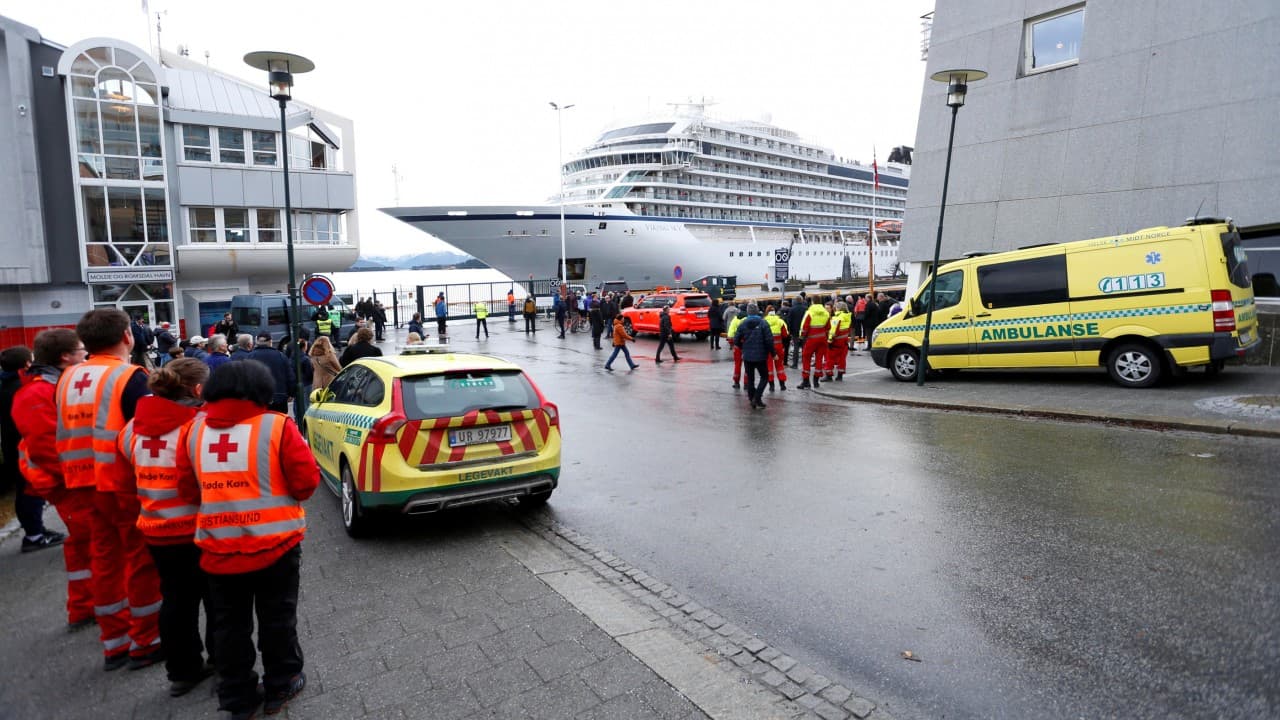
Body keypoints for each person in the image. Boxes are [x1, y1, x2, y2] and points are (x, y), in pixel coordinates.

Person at [176, 360, 318, 719]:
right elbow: (305, 484)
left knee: (228, 625)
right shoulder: (277, 427)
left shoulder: (191, 433)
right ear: (262, 390)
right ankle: (281, 684)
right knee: (277, 618)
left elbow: (187, 491)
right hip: (277, 547)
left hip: (219, 549)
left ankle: (237, 697)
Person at [55, 308, 162, 671]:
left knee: (103, 559)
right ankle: (146, 640)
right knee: (140, 559)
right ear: (128, 337)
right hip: (121, 484)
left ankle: (114, 642)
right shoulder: (129, 377)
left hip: (80, 482)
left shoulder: (67, 378)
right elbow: (148, 434)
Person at [116, 358, 215, 697]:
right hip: (201, 528)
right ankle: (222, 661)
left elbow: (124, 481)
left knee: (175, 600)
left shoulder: (130, 429)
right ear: (198, 389)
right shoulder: (200, 425)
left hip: (157, 529)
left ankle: (183, 671)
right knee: (217, 599)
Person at [13, 330, 92, 629]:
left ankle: (89, 605)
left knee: (89, 545)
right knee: (87, 545)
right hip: (69, 484)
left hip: (73, 480)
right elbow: (48, 447)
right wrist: (79, 477)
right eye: (81, 350)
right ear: (65, 356)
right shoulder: (37, 393)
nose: (86, 354)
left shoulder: (51, 386)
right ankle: (86, 607)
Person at [3, 345, 66, 551]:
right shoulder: (19, 388)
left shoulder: (7, 385)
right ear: (27, 364)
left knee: (28, 490)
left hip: (14, 444)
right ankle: (34, 535)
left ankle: (35, 531)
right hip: (24, 445)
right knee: (30, 490)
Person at [733, 304, 773, 409]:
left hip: (747, 356)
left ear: (747, 312)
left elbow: (736, 340)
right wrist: (773, 353)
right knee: (764, 377)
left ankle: (752, 399)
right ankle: (757, 397)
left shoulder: (743, 324)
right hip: (760, 355)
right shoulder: (763, 323)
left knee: (750, 379)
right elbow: (769, 340)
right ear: (757, 311)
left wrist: (743, 348)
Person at [246, 333, 295, 414]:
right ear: (270, 342)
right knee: (279, 423)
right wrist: (291, 393)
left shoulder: (250, 357)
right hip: (279, 398)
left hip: (257, 399)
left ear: (256, 342)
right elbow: (290, 377)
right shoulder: (281, 356)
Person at [798, 295, 831, 389]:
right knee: (819, 359)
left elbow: (804, 326)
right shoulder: (825, 312)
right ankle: (816, 381)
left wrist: (801, 337)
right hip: (822, 339)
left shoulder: (809, 312)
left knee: (806, 358)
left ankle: (805, 381)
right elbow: (828, 327)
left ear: (812, 302)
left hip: (811, 339)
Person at [763, 305, 789, 392]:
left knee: (769, 367)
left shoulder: (763, 321)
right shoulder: (780, 321)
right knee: (779, 365)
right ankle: (782, 385)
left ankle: (771, 386)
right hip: (778, 346)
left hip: (767, 348)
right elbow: (785, 335)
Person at [827, 301, 853, 381]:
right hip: (844, 342)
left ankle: (829, 376)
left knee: (829, 359)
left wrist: (829, 341)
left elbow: (833, 331)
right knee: (842, 359)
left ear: (838, 308)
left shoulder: (837, 318)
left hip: (836, 342)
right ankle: (840, 376)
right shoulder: (847, 317)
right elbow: (848, 329)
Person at [786, 292, 808, 368]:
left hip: (795, 332)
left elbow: (789, 321)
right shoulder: (806, 309)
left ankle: (795, 364)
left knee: (796, 347)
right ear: (802, 300)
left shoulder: (792, 309)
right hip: (804, 331)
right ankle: (805, 362)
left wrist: (789, 331)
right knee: (804, 347)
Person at [726, 309, 745, 389]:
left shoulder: (735, 320)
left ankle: (736, 382)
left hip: (737, 345)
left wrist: (731, 343)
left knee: (737, 364)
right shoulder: (748, 319)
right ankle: (747, 383)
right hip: (747, 345)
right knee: (748, 365)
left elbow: (730, 333)